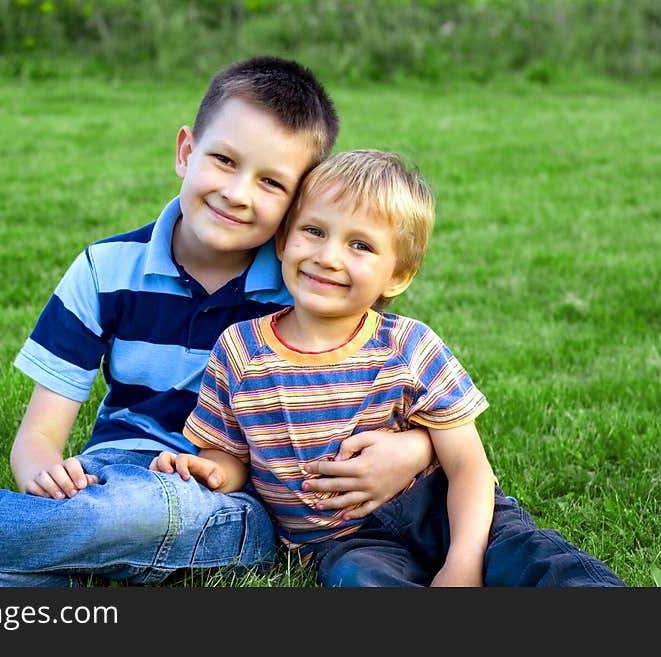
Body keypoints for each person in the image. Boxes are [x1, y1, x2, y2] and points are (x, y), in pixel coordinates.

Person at [0, 57, 434, 588]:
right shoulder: (106, 270)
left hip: (232, 499)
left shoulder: (306, 285)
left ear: (297, 200)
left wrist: (415, 446)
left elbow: (403, 387)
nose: (239, 193)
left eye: (271, 181)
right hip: (111, 472)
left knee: (121, 518)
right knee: (67, 552)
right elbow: (39, 439)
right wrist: (44, 474)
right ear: (186, 151)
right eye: (224, 160)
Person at [150, 149, 625, 586]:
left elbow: (469, 468)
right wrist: (205, 469)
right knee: (359, 579)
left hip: (437, 508)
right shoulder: (239, 351)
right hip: (343, 541)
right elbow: (231, 459)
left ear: (397, 275)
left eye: (361, 245)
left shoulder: (407, 346)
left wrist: (463, 560)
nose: (328, 256)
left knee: (532, 557)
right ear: (283, 240)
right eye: (313, 231)